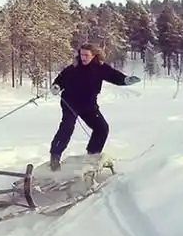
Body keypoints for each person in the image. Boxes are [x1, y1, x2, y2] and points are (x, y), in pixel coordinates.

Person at [48, 43, 140, 171]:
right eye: (82, 55)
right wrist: (56, 86)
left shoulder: (100, 68)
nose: (83, 58)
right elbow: (60, 80)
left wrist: (126, 80)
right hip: (70, 103)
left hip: (88, 105)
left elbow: (114, 76)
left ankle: (92, 155)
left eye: (86, 55)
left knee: (102, 128)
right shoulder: (73, 67)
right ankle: (55, 155)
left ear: (94, 55)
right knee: (67, 126)